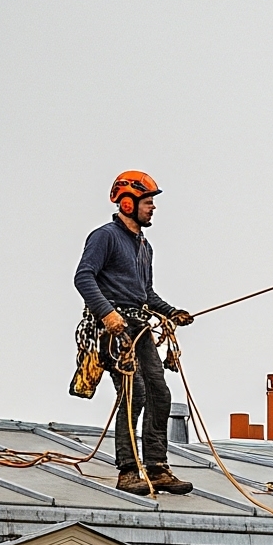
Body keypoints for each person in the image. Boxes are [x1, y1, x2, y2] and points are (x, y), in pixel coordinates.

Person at [73, 171, 196, 496]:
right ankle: (128, 471)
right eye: (148, 201)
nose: (153, 208)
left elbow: (146, 294)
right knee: (135, 393)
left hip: (139, 327)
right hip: (114, 331)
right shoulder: (105, 237)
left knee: (160, 393)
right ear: (127, 203)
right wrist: (108, 314)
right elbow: (84, 277)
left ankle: (156, 469)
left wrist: (171, 312)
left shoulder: (144, 246)